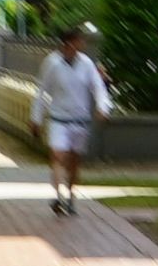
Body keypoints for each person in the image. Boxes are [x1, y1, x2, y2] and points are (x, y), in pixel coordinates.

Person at [32, 24, 111, 216]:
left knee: (74, 162)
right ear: (69, 43)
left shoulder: (86, 64)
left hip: (79, 120)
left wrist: (102, 107)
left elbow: (97, 87)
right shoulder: (52, 63)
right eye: (79, 40)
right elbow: (41, 90)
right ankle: (58, 197)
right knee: (58, 156)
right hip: (58, 119)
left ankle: (70, 197)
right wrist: (35, 117)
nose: (82, 43)